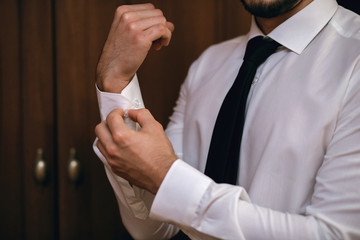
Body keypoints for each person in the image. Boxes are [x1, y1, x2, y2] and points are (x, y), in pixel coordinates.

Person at [93, 0, 360, 239]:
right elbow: (154, 228)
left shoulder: (354, 61)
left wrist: (165, 176)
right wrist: (116, 85)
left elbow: (334, 234)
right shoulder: (207, 66)